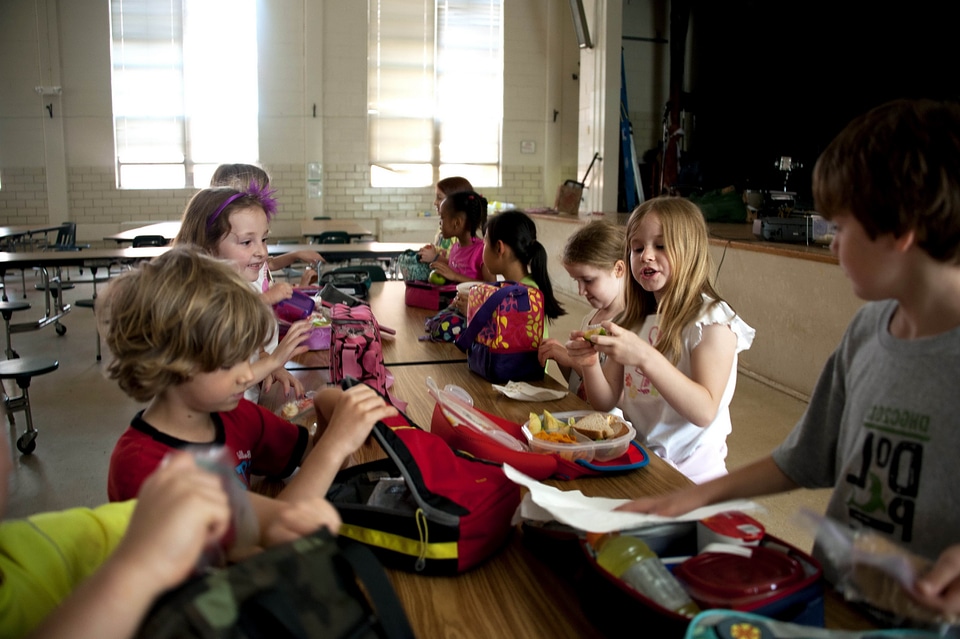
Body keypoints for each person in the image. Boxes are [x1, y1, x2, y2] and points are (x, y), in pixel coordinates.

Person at [618, 99, 960, 622]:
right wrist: (683, 499)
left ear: (899, 231)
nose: (829, 243)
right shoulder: (868, 331)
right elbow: (802, 459)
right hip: (842, 598)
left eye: (841, 228)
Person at [0, 410, 343, 639]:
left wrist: (275, 518)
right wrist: (136, 569)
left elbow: (178, 509)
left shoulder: (32, 545)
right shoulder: (140, 462)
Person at [99, 245, 398, 504]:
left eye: (250, 355)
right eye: (231, 362)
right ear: (167, 361)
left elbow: (310, 457)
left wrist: (328, 410)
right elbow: (267, 535)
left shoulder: (237, 416)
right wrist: (336, 445)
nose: (248, 375)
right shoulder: (143, 467)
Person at [565, 197, 755, 483]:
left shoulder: (712, 320)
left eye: (661, 246)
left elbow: (704, 410)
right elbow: (605, 401)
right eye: (637, 248)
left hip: (693, 480)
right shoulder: (633, 319)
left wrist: (644, 356)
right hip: (640, 464)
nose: (646, 256)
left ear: (689, 250)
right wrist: (590, 363)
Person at [174, 185, 308, 397]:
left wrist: (270, 364)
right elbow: (222, 386)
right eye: (247, 242)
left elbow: (253, 349)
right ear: (207, 247)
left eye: (264, 239)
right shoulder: (201, 303)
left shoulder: (236, 287)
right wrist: (274, 361)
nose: (262, 252)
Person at [538, 221, 627, 401]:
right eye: (576, 281)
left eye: (588, 280)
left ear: (618, 269)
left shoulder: (627, 326)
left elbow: (617, 397)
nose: (581, 291)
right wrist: (561, 358)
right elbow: (578, 384)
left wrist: (573, 360)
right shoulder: (590, 318)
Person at [209, 162, 325, 293]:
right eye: (263, 196)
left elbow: (268, 264)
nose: (268, 204)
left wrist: (295, 255)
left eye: (264, 239)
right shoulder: (234, 276)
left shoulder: (248, 259)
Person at [481, 209, 566, 335]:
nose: (483, 248)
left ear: (499, 248)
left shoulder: (524, 293)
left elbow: (502, 333)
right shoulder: (522, 286)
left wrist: (476, 309)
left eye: (485, 242)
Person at [426, 190, 493, 284]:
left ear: (457, 222)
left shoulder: (482, 251)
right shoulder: (455, 248)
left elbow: (491, 285)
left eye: (442, 217)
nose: (440, 222)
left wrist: (455, 276)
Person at [418, 176, 474, 264]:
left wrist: (435, 257)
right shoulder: (443, 227)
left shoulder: (461, 234)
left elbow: (460, 267)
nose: (435, 202)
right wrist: (431, 251)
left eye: (439, 198)